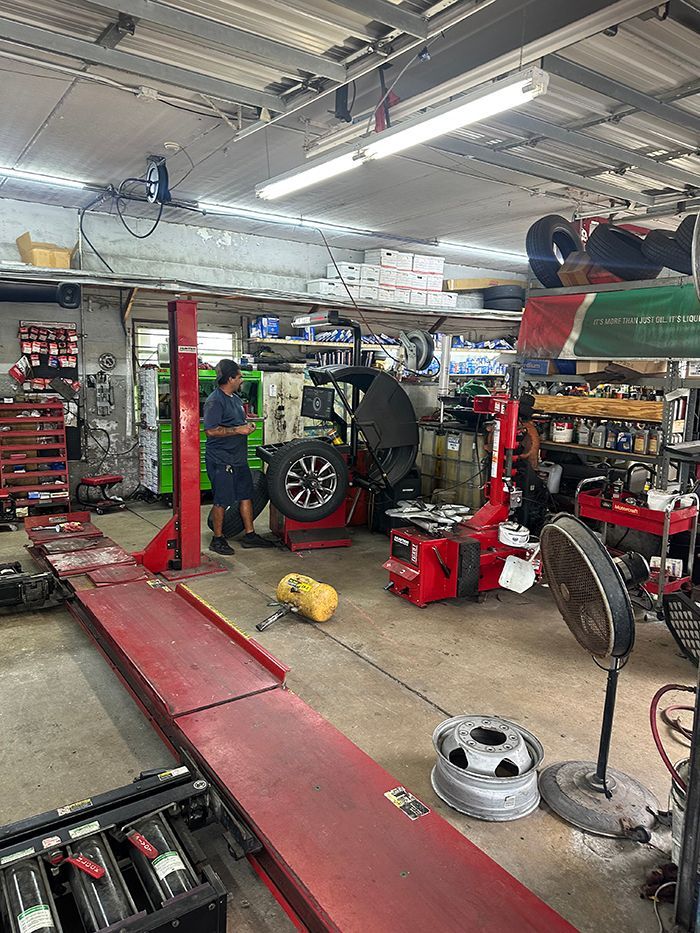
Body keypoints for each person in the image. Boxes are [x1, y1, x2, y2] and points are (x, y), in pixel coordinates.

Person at [204, 359, 274, 555]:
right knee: (222, 500)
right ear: (230, 378)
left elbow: (237, 423)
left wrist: (247, 425)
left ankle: (250, 534)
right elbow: (210, 431)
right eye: (239, 376)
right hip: (221, 459)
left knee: (246, 495)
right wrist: (238, 429)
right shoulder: (214, 401)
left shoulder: (234, 398)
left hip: (238, 458)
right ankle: (217, 539)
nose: (241, 379)